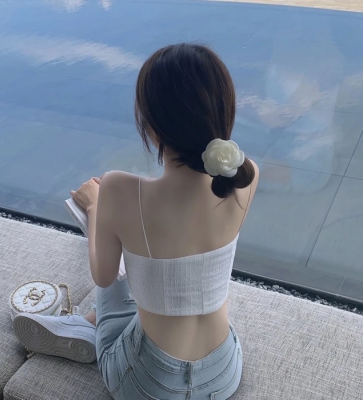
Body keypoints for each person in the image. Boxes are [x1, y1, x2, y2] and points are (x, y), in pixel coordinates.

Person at [13, 43, 259, 399]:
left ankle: (90, 326)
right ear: (225, 110)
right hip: (222, 374)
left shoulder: (119, 189)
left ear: (151, 126)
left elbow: (103, 277)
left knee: (117, 285)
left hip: (148, 384)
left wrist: (95, 208)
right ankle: (89, 323)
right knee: (153, 277)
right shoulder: (246, 176)